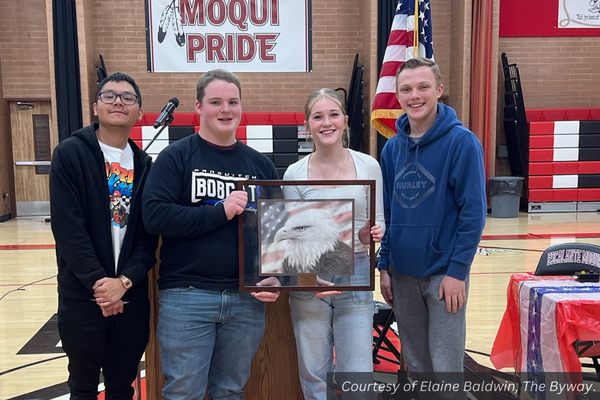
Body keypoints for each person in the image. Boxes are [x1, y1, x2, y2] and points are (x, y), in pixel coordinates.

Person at [142, 69, 281, 400]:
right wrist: (221, 210)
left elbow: (276, 233)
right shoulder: (176, 156)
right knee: (183, 393)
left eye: (233, 102)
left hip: (245, 300)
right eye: (216, 102)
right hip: (187, 296)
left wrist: (276, 275)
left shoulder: (261, 165)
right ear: (199, 107)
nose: (225, 109)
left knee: (230, 391)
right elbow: (155, 216)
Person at [50, 72, 158, 399]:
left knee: (121, 388)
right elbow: (69, 229)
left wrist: (123, 283)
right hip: (84, 296)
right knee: (82, 387)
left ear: (139, 111)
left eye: (128, 97)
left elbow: (146, 236)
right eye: (109, 96)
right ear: (95, 107)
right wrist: (101, 286)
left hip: (131, 297)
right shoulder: (70, 154)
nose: (118, 102)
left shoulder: (146, 166)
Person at [378, 57, 487, 379]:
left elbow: (473, 213)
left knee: (446, 367)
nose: (415, 96)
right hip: (401, 274)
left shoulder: (462, 143)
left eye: (423, 87)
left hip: (444, 275)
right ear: (397, 96)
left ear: (439, 90)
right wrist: (385, 266)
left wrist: (458, 271)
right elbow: (388, 213)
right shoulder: (391, 150)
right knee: (417, 365)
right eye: (407, 89)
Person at [282, 88, 385, 400]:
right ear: (307, 125)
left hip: (356, 273)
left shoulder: (369, 166)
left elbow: (379, 221)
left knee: (357, 375)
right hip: (309, 279)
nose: (326, 122)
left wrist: (372, 236)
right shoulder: (294, 173)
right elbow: (290, 239)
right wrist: (306, 279)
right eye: (318, 116)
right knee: (314, 374)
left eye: (333, 115)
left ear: (345, 121)